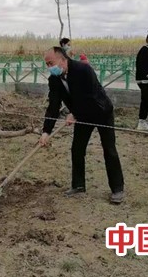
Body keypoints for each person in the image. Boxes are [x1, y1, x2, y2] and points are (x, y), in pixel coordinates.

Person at [39, 47, 125, 204]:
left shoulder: (83, 69)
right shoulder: (54, 79)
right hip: (82, 115)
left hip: (101, 111)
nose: (49, 67)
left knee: (109, 149)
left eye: (51, 63)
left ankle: (117, 189)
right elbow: (53, 105)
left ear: (63, 60)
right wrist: (46, 131)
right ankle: (78, 185)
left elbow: (89, 96)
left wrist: (74, 114)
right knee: (77, 149)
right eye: (47, 64)